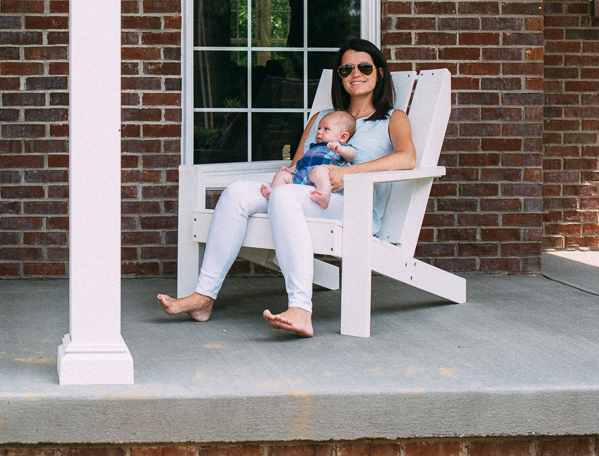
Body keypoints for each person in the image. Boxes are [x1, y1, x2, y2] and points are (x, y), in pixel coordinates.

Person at [158, 39, 417, 338]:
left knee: (283, 196)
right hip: (303, 195)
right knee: (237, 192)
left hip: (353, 207)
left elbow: (407, 158)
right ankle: (203, 296)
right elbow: (298, 163)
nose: (355, 74)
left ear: (380, 73)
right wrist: (285, 176)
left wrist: (349, 174)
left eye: (364, 67)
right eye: (346, 69)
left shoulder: (391, 118)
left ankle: (301, 309)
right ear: (339, 76)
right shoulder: (322, 119)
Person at [262, 109, 358, 210]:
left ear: (343, 137)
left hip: (319, 180)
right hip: (302, 177)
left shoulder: (341, 147)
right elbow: (302, 161)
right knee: (282, 174)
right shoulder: (313, 148)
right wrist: (291, 169)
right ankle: (274, 191)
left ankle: (324, 195)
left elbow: (352, 156)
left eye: (326, 129)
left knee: (319, 170)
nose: (319, 132)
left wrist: (341, 149)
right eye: (319, 128)